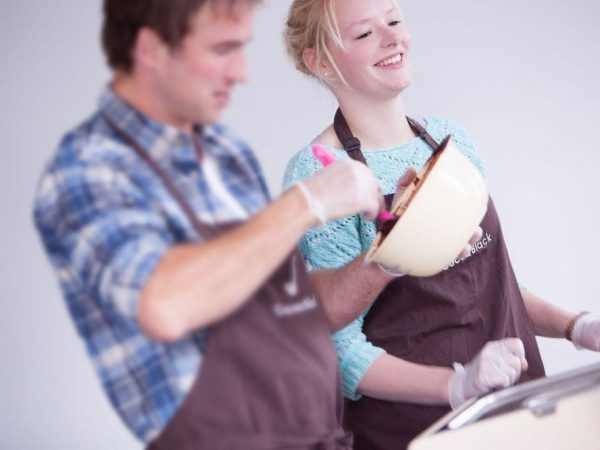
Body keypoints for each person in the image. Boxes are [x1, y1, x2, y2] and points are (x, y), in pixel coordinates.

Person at [32, 0, 390, 448]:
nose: (242, 72)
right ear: (151, 50)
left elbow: (297, 310)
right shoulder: (89, 170)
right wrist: (307, 202)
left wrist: (386, 255)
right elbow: (165, 305)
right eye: (223, 50)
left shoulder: (225, 153)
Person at [282, 0, 600, 449]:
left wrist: (578, 327)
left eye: (394, 21)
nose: (392, 38)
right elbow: (340, 348)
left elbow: (498, 286)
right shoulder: (321, 173)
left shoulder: (452, 143)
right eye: (364, 33)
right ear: (320, 62)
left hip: (514, 414)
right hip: (413, 431)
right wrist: (456, 386)